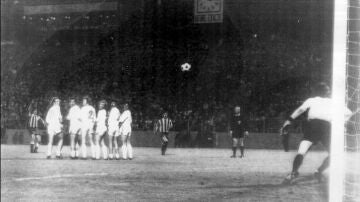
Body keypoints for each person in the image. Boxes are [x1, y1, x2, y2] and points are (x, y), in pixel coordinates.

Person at [281, 82, 353, 183]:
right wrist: (342, 122)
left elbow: (301, 109)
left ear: (316, 92)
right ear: (327, 92)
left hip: (313, 127)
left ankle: (293, 173)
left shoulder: (312, 100)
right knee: (335, 154)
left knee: (302, 151)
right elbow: (348, 113)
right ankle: (318, 172)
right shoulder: (334, 101)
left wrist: (289, 120)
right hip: (326, 128)